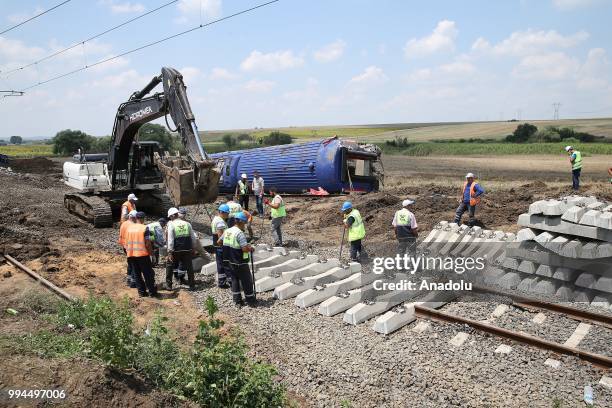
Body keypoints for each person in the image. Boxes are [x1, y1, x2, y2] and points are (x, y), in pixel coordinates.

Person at [223, 211, 256, 307]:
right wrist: (250, 248)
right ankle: (250, 299)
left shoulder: (227, 231)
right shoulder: (239, 233)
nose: (245, 225)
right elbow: (244, 249)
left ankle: (237, 301)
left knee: (234, 280)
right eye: (245, 223)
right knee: (247, 280)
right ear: (241, 222)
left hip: (229, 261)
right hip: (240, 261)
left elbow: (219, 241)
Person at [165, 207, 198, 290]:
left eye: (170, 217)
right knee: (189, 267)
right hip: (187, 249)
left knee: (169, 264)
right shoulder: (187, 224)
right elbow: (193, 237)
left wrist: (169, 252)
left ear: (172, 216)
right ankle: (192, 285)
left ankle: (169, 285)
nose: (170, 218)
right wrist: (193, 248)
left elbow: (170, 240)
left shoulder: (171, 225)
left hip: (176, 250)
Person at [126, 212, 158, 297]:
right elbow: (147, 244)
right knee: (148, 274)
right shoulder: (145, 228)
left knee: (137, 274)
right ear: (143, 218)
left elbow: (126, 243)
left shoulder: (129, 228)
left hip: (131, 255)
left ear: (136, 218)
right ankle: (152, 292)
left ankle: (141, 292)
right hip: (142, 255)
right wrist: (152, 255)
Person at [212, 204, 231, 288]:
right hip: (221, 247)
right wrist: (225, 247)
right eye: (227, 213)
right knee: (225, 264)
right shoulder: (220, 222)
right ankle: (229, 281)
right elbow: (220, 237)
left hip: (217, 246)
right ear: (222, 212)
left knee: (220, 264)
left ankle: (222, 282)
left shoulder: (216, 219)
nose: (228, 215)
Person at [118, 210, 137, 287]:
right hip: (130, 247)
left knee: (130, 263)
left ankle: (129, 279)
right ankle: (133, 282)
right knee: (134, 264)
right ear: (133, 217)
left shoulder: (124, 223)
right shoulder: (132, 225)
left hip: (125, 246)